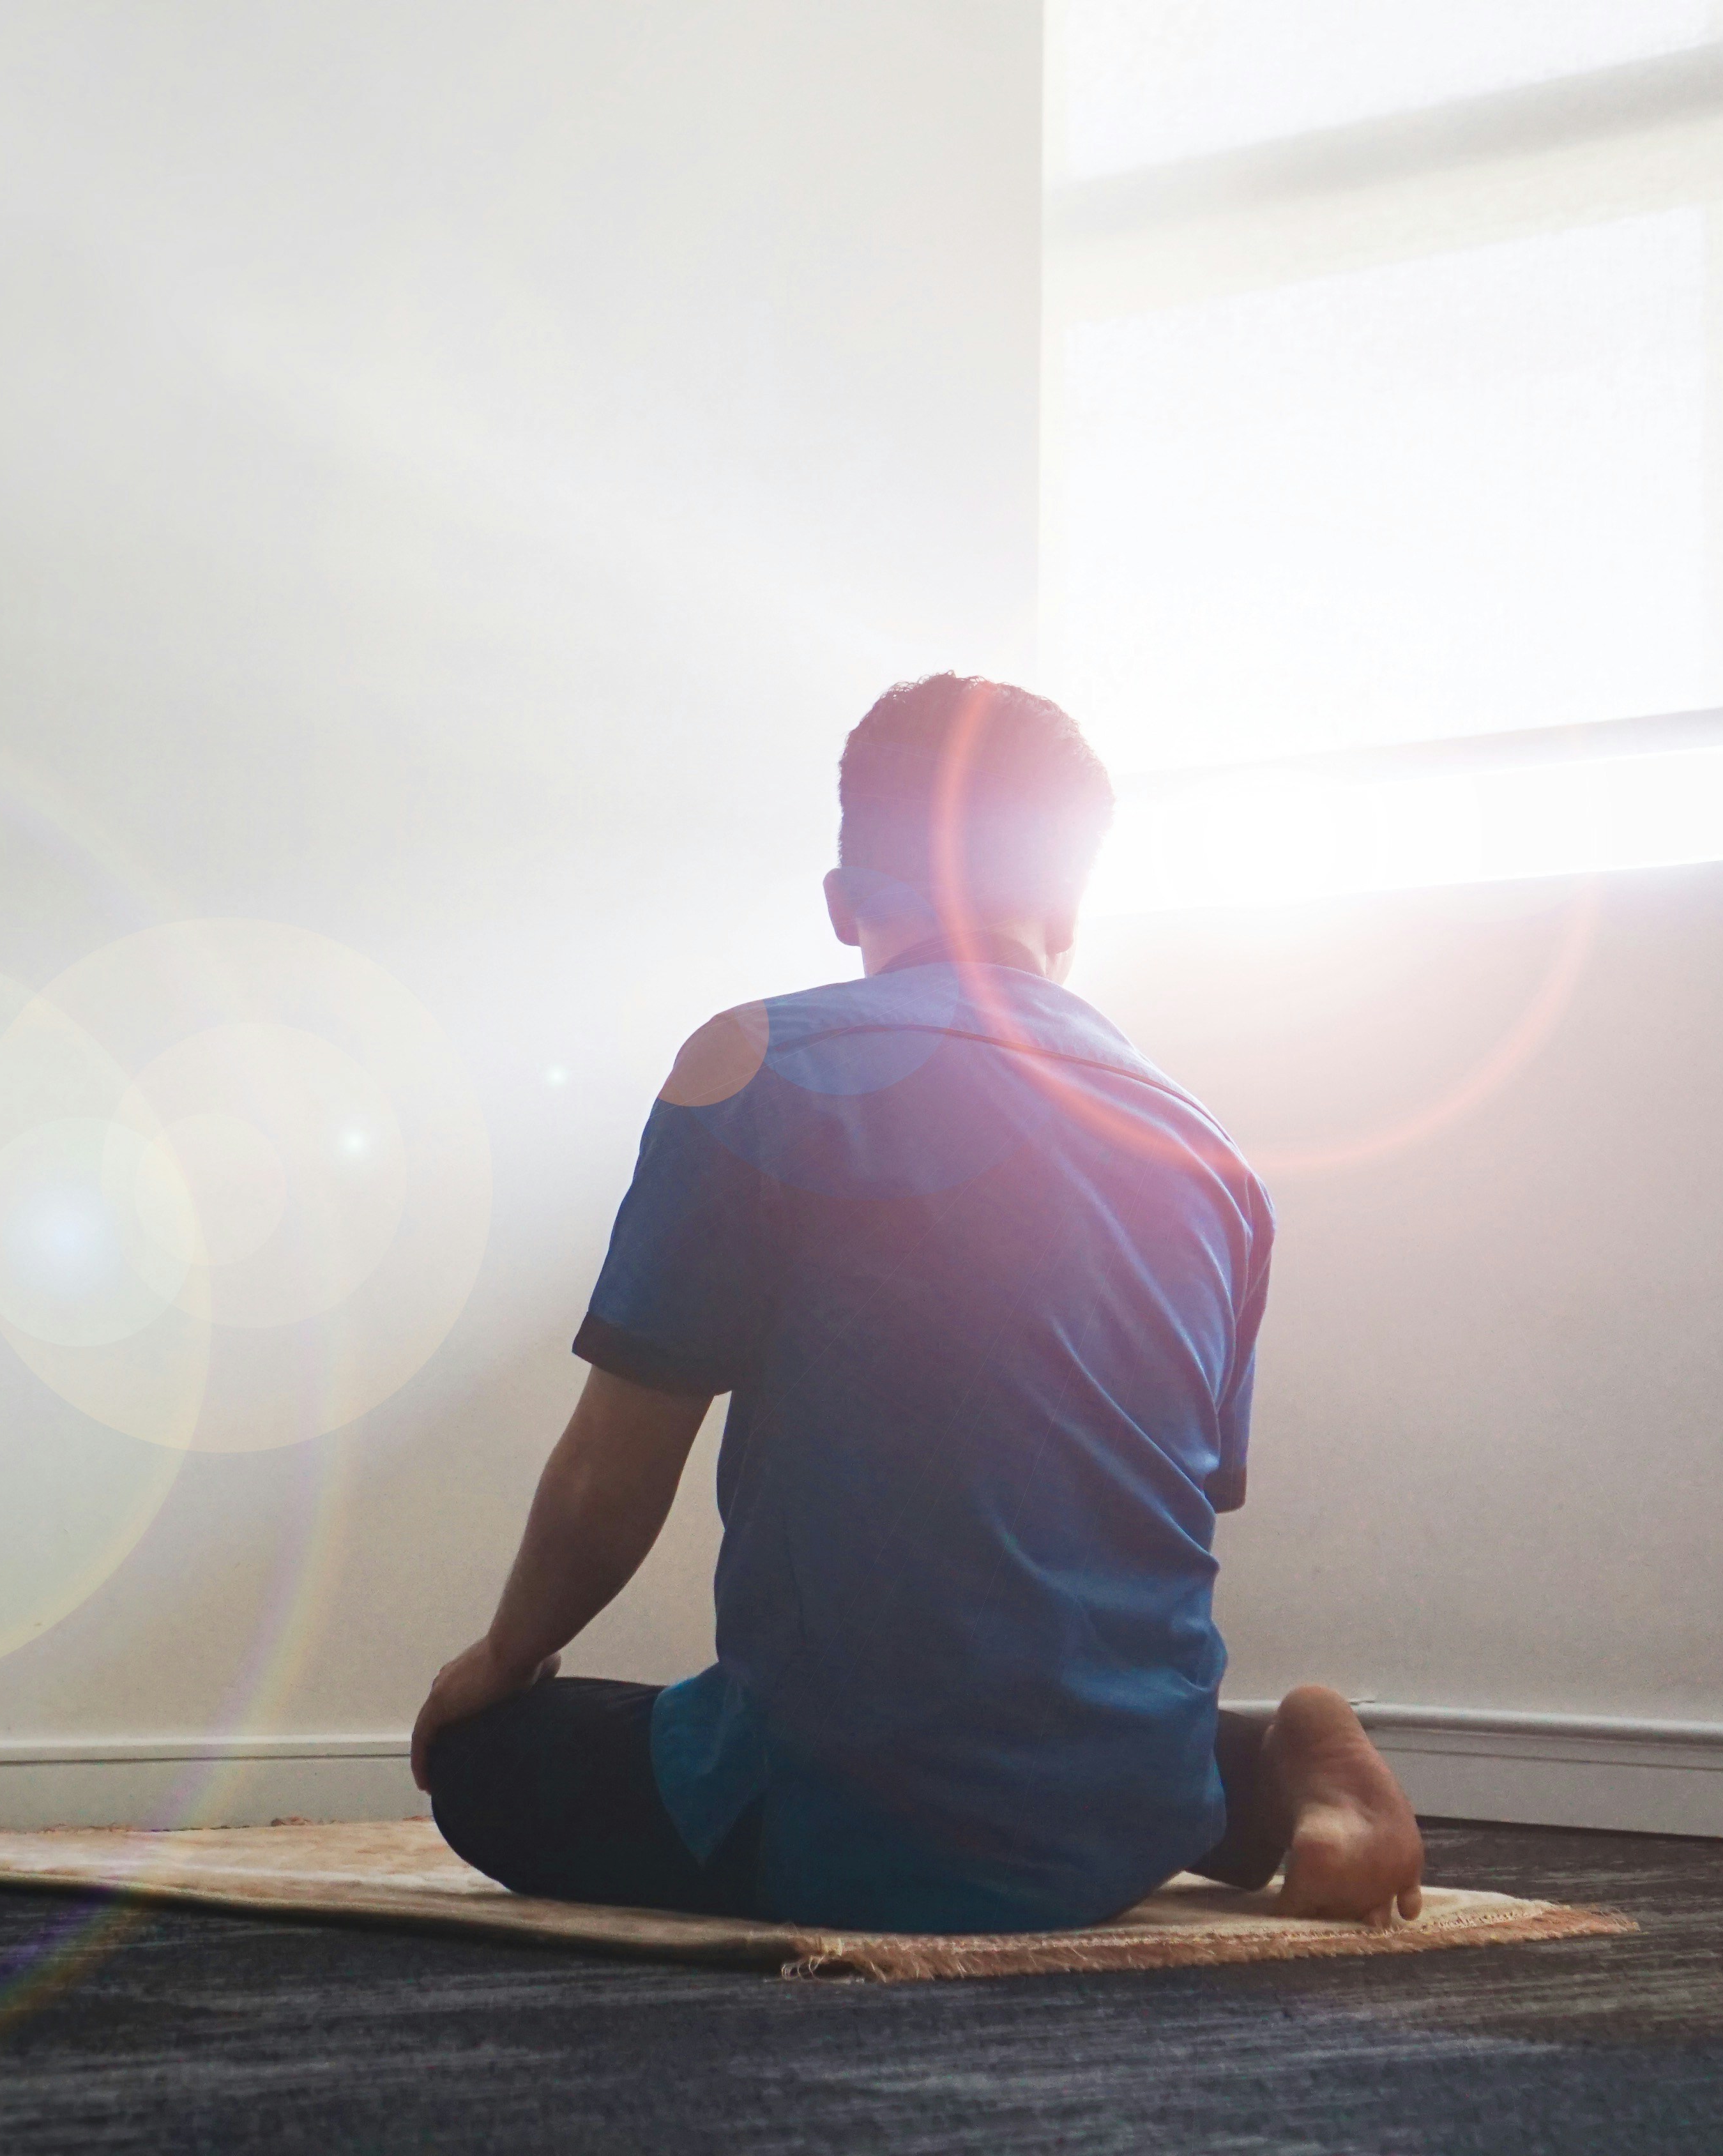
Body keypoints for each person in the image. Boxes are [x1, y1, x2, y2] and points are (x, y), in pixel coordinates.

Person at [409, 674, 1425, 1934]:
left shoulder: (759, 1064)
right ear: (1068, 903)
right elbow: (1130, 1525)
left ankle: (1228, 1761)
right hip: (1133, 1817)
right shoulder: (1210, 1154)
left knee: (492, 1758)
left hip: (865, 1827)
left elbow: (602, 1483)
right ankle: (1272, 1760)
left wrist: (497, 1662)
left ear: (844, 906)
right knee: (1067, 1681)